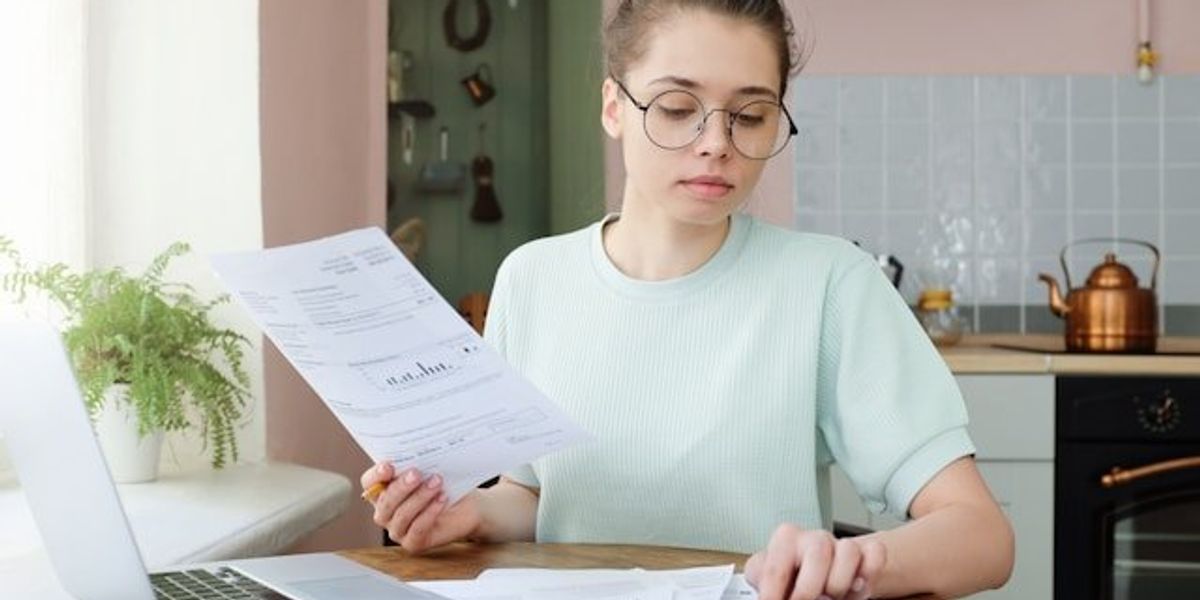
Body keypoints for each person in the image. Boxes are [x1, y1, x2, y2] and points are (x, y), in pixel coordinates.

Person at [362, 1, 1014, 598]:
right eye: (677, 107)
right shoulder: (531, 278)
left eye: (751, 116)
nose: (716, 143)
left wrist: (853, 563)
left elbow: (982, 537)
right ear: (614, 107)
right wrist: (470, 515)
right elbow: (538, 497)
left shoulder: (830, 284)